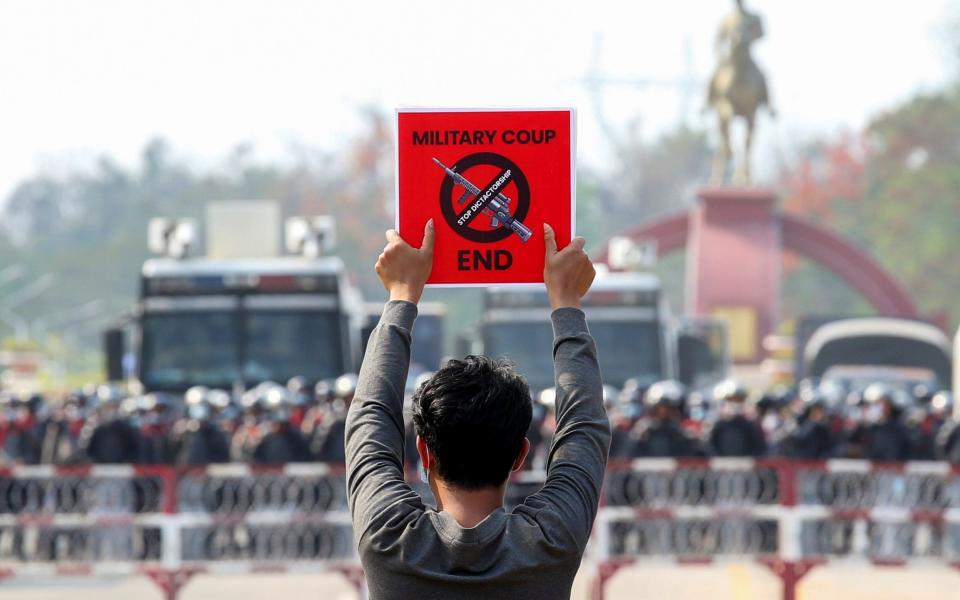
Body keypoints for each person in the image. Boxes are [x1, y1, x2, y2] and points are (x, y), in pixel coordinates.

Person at [345, 220, 609, 600]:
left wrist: (402, 294)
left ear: (424, 451)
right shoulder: (550, 543)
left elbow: (370, 415)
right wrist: (565, 302)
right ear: (520, 454)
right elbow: (584, 426)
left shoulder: (388, 538)